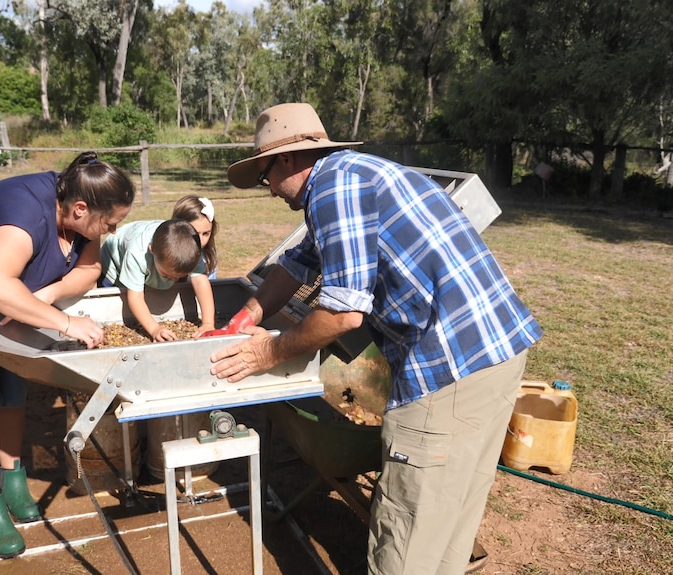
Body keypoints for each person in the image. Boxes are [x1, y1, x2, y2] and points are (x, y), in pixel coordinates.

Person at [205, 103, 543, 575]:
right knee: (449, 516)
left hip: (447, 366)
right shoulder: (354, 174)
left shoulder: (333, 190)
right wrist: (245, 317)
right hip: (498, 350)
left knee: (406, 534)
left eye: (264, 178)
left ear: (284, 160)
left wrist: (268, 350)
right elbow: (298, 264)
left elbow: (343, 315)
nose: (270, 192)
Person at [0, 151, 135, 559]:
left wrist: (43, 298)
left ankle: (13, 475)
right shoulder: (25, 214)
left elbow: (88, 270)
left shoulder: (81, 210)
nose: (112, 229)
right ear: (81, 209)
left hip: (9, 298)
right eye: (110, 223)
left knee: (11, 391)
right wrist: (64, 323)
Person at [100, 219, 216, 340]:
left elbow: (200, 281)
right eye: (167, 276)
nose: (173, 280)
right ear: (152, 250)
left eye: (179, 277)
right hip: (114, 264)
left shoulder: (189, 251)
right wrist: (154, 328)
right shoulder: (137, 254)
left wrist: (208, 323)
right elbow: (135, 297)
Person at [172, 195, 219, 279]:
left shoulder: (208, 258)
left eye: (206, 234)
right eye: (195, 234)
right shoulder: (166, 254)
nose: (201, 241)